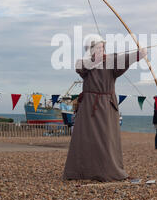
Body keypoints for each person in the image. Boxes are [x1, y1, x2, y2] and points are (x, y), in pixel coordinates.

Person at [63, 34, 147, 181]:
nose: (101, 49)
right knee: (86, 138)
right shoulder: (84, 63)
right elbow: (80, 67)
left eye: (102, 46)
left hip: (107, 104)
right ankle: (81, 171)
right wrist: (96, 59)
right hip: (90, 105)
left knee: (107, 139)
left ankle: (108, 170)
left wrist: (137, 55)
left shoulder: (111, 62)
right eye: (98, 47)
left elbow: (124, 59)